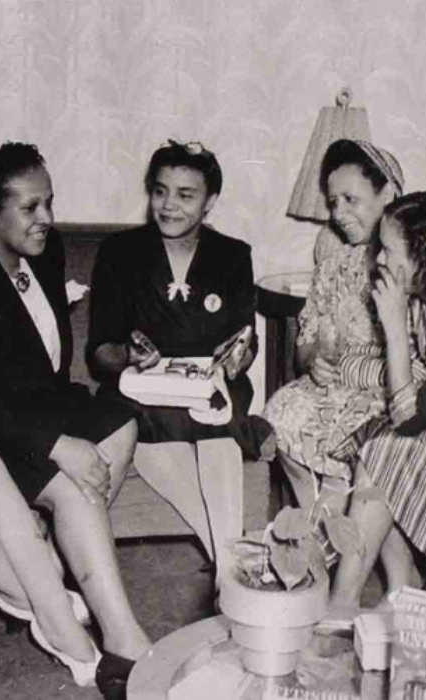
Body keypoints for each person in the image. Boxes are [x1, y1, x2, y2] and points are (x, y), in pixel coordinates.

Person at [0, 143, 150, 700]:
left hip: (41, 400)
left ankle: (71, 561)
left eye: (48, 202)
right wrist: (57, 445)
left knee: (119, 425)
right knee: (76, 482)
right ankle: (123, 636)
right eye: (30, 207)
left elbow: (43, 364)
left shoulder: (46, 250)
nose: (46, 218)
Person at [87, 139, 272, 585]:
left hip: (210, 386)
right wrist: (128, 357)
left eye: (185, 195)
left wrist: (237, 357)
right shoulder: (119, 252)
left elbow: (245, 341)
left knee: (215, 429)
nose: (169, 205)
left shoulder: (233, 254)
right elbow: (100, 349)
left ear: (210, 202)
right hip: (141, 389)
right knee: (151, 430)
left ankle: (227, 576)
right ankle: (233, 571)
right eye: (160, 191)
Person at [263, 139, 418, 584]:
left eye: (352, 199)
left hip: (390, 390)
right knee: (282, 412)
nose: (339, 212)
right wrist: (314, 361)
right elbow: (305, 340)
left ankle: (348, 564)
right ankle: (343, 555)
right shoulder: (333, 262)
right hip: (334, 386)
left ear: (388, 193)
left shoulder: (410, 260)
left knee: (363, 442)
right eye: (333, 201)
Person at [330, 191, 426, 611]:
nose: (379, 261)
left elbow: (407, 416)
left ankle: (347, 604)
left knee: (386, 445)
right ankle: (392, 592)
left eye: (387, 251)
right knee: (377, 442)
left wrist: (393, 327)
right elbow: (414, 383)